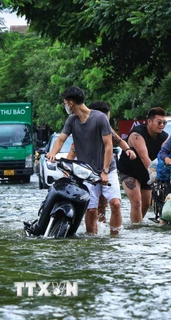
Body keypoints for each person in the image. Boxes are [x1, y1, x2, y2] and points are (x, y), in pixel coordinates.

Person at [46, 86, 121, 236]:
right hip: (86, 172)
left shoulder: (99, 118)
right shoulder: (71, 120)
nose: (65, 106)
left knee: (115, 204)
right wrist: (53, 153)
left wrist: (105, 172)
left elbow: (108, 145)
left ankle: (115, 238)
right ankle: (91, 240)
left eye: (65, 103)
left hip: (108, 169)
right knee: (91, 210)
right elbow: (61, 139)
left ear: (71, 103)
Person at [66, 101, 137, 224]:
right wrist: (66, 171)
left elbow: (119, 140)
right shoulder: (83, 130)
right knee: (94, 208)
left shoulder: (107, 129)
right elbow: (72, 152)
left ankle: (110, 233)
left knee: (112, 204)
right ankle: (94, 232)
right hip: (90, 173)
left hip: (107, 171)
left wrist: (128, 150)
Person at [117, 107, 168, 223]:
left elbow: (167, 154)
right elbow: (143, 156)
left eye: (164, 123)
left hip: (146, 173)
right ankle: (136, 231)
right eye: (159, 122)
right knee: (136, 201)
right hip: (129, 171)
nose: (162, 125)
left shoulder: (164, 137)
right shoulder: (137, 134)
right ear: (149, 122)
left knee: (146, 204)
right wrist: (155, 175)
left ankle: (136, 224)